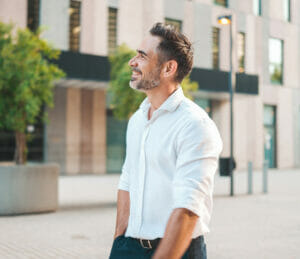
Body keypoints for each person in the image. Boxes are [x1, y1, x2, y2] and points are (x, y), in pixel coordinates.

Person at [109, 23, 223, 259]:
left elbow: (188, 209)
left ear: (168, 68)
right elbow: (127, 179)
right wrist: (119, 240)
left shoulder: (195, 125)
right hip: (129, 247)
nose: (132, 62)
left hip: (177, 250)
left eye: (142, 56)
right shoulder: (137, 120)